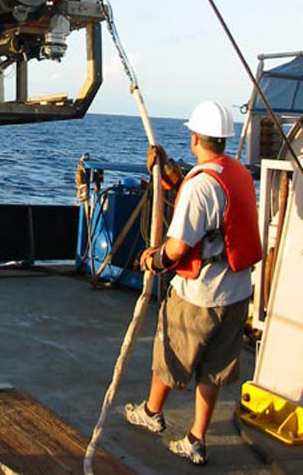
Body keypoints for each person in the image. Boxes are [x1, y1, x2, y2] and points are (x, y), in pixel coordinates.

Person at [125, 100, 262, 466]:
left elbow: (178, 246)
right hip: (237, 293)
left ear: (195, 137)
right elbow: (214, 210)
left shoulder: (200, 186)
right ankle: (196, 440)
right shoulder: (237, 173)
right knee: (214, 369)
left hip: (201, 295)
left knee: (171, 352)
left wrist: (153, 260)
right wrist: (167, 172)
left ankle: (151, 412)